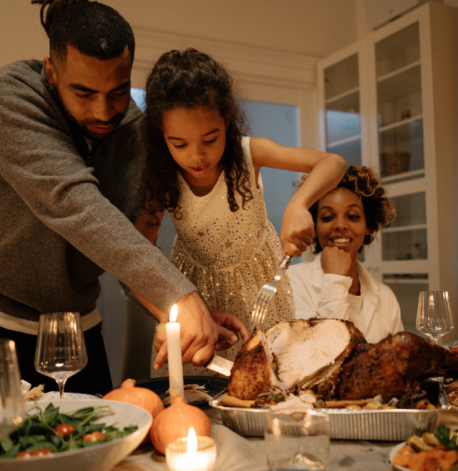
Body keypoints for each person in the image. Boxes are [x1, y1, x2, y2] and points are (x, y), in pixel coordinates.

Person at [0, 0, 247, 395]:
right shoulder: (8, 96)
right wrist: (181, 294)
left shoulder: (136, 129)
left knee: (102, 453)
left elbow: (124, 243)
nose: (104, 112)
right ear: (51, 73)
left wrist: (184, 312)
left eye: (118, 92)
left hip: (81, 328)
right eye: (84, 93)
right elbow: (73, 203)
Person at [134, 48, 347, 376]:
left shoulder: (250, 153)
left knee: (267, 387)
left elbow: (333, 163)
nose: (197, 156)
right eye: (179, 144)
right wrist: (171, 314)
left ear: (227, 121)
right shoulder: (161, 178)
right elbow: (136, 259)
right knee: (196, 394)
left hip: (261, 293)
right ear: (161, 135)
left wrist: (299, 203)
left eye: (210, 139)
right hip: (194, 294)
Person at [287, 166, 404, 343]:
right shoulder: (292, 283)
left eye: (352, 216)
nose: (340, 225)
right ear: (314, 227)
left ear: (368, 227)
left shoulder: (386, 297)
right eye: (327, 217)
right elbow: (317, 359)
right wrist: (335, 279)